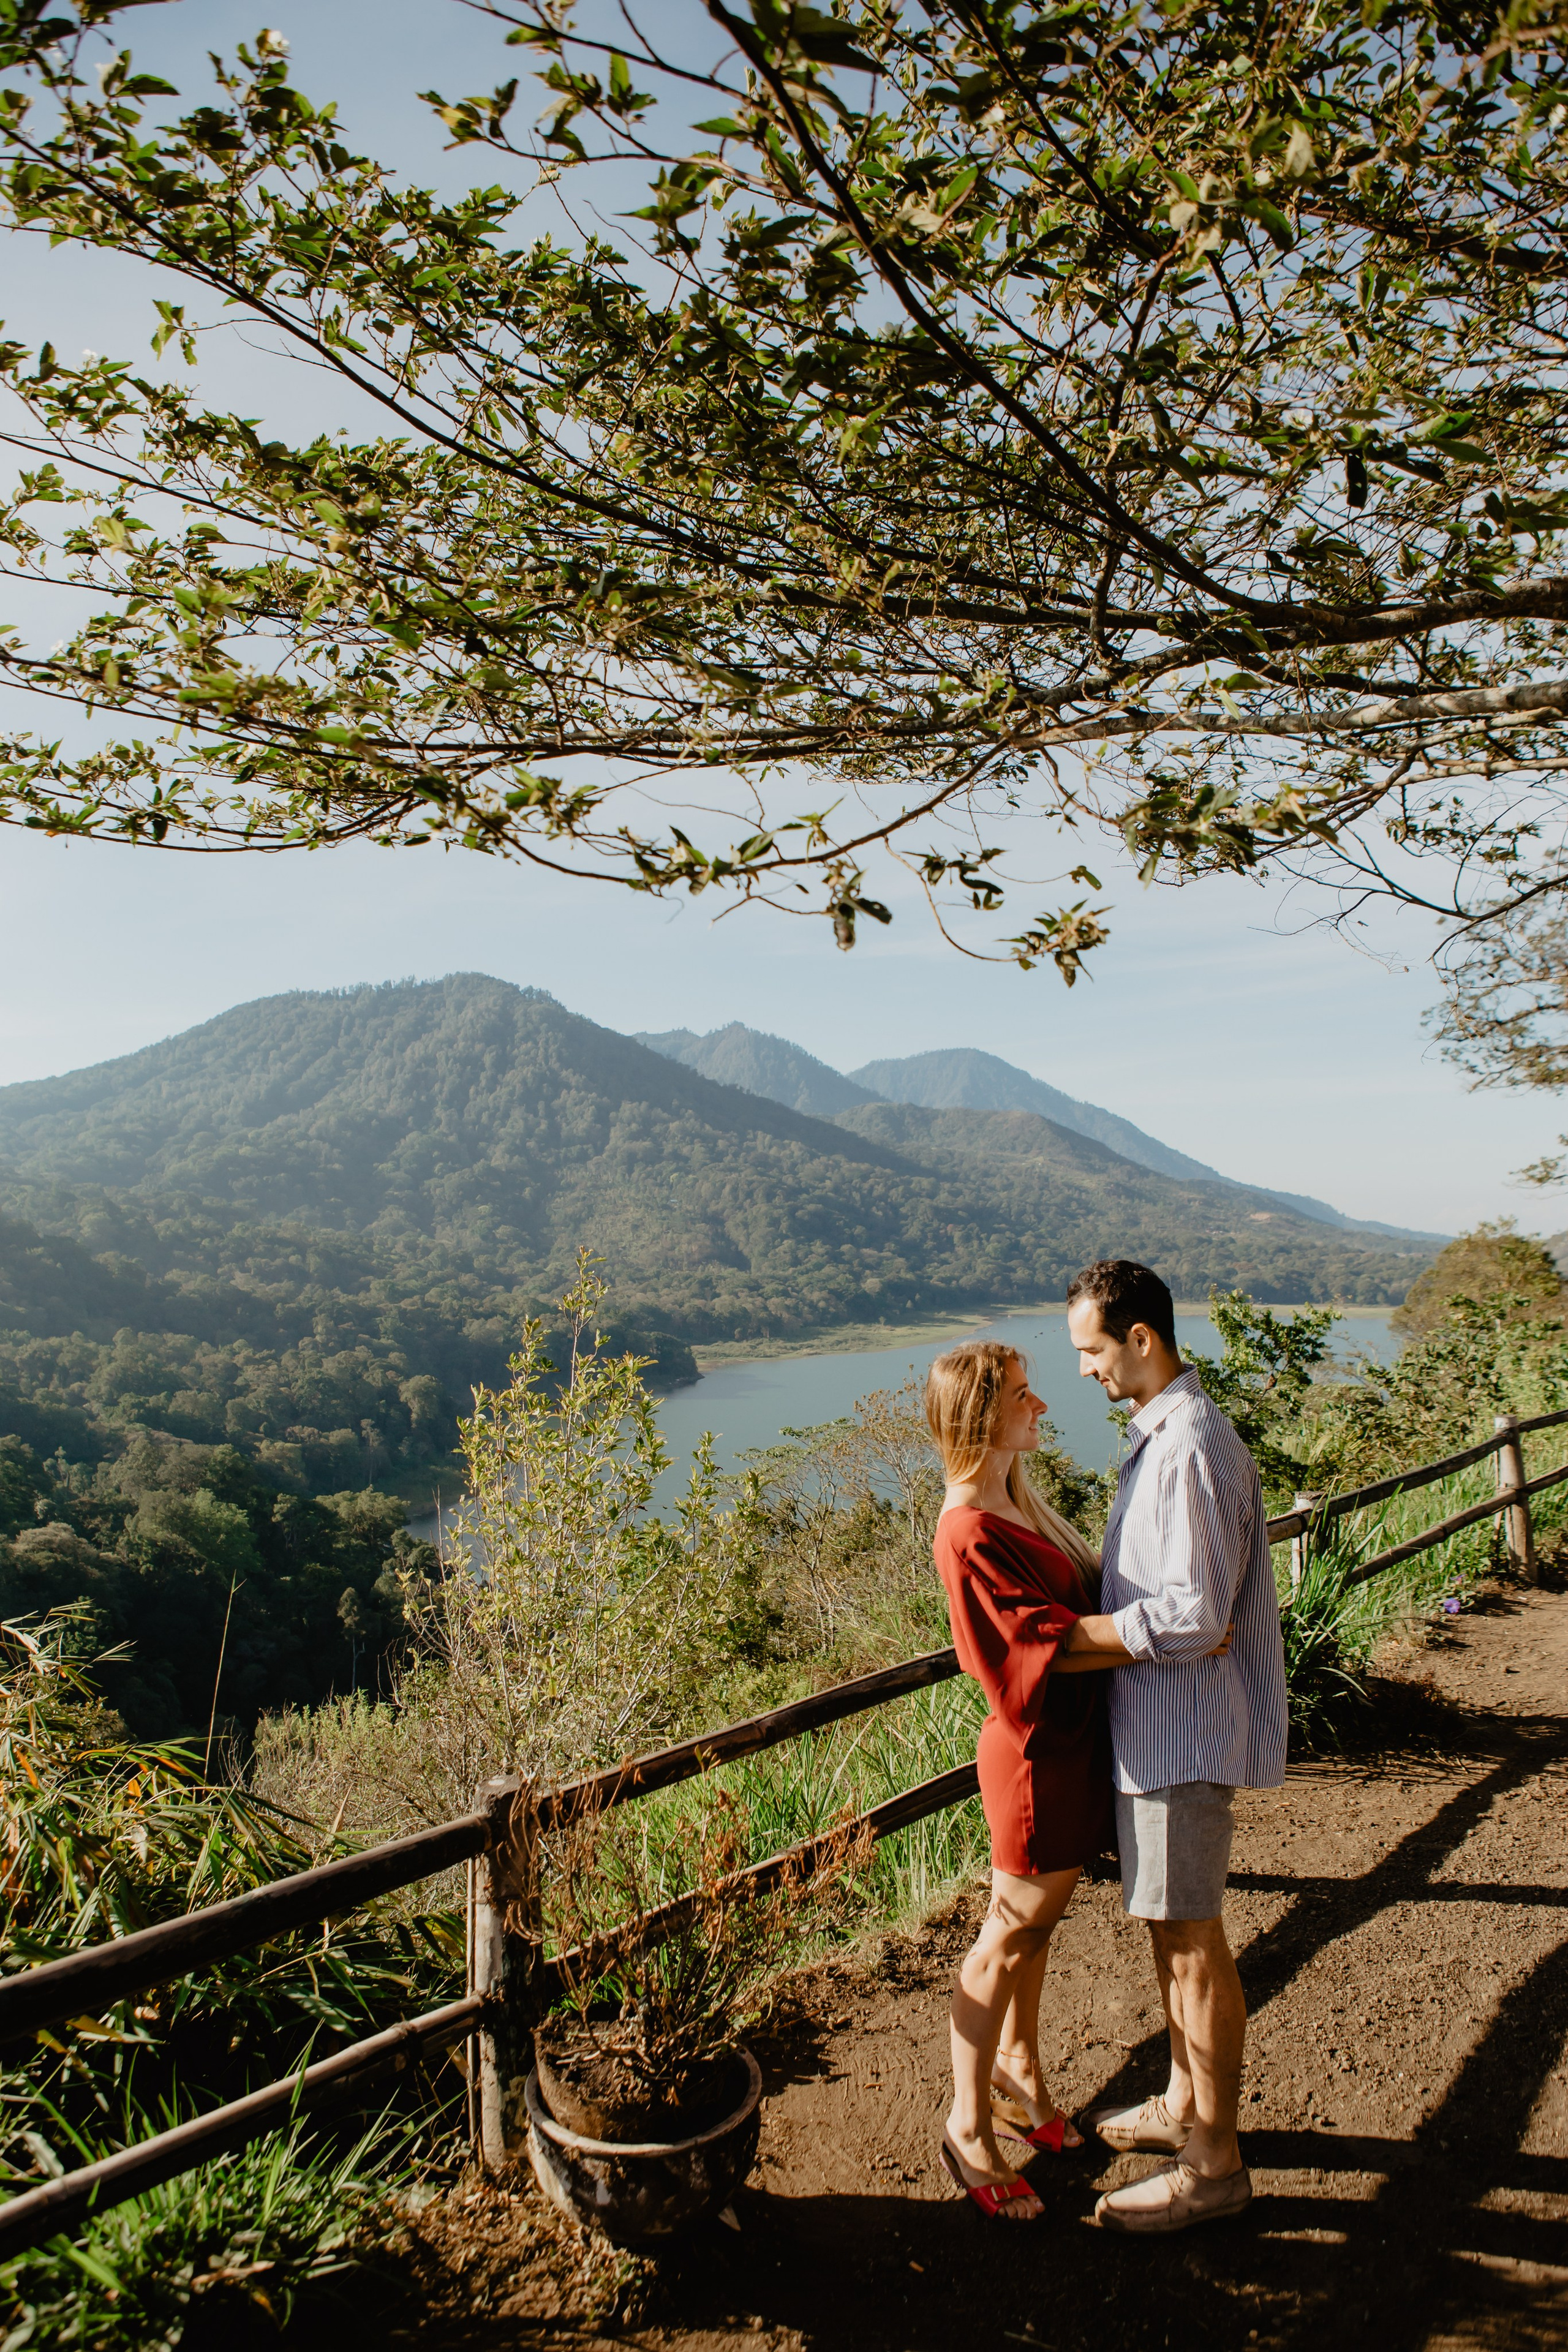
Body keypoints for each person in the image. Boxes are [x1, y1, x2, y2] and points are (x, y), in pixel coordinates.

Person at [1063, 1258, 1287, 2235]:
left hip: (1181, 1737)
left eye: (1091, 1349)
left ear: (1141, 1339)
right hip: (1160, 1735)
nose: (1084, 1370)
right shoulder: (1166, 1435)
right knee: (1172, 1931)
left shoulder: (1188, 1444)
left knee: (1194, 1945)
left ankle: (1214, 2166)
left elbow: (1194, 1614)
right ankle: (1184, 2101)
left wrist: (1062, 1642)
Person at [925, 1340, 1145, 2221]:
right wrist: (1161, 1631)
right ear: (980, 1416)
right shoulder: (967, 1529)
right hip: (1032, 1759)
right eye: (1023, 1396)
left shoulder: (1019, 1507)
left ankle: (1020, 2071)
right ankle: (967, 2124)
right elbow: (1029, 1645)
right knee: (1005, 1937)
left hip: (1068, 1747)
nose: (1041, 1407)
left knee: (1036, 1929)